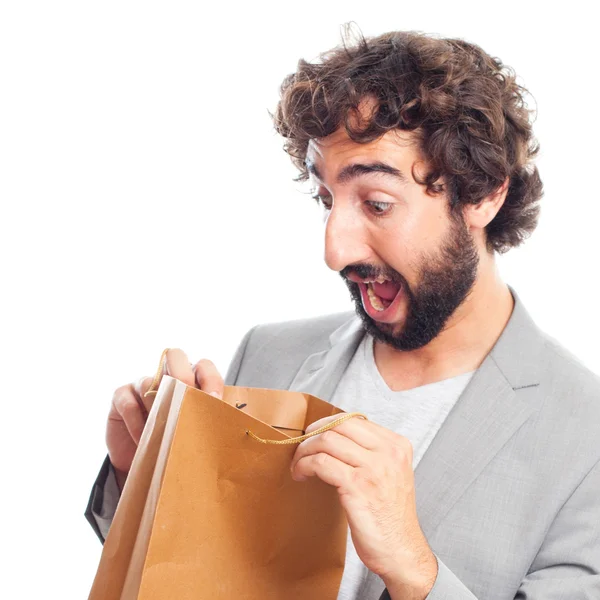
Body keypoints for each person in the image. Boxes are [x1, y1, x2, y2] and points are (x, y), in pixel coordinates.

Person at [85, 28, 600, 600]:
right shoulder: (268, 354)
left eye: (377, 204)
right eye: (326, 200)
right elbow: (193, 574)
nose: (335, 251)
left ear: (482, 196)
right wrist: (144, 478)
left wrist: (414, 568)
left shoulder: (587, 437)